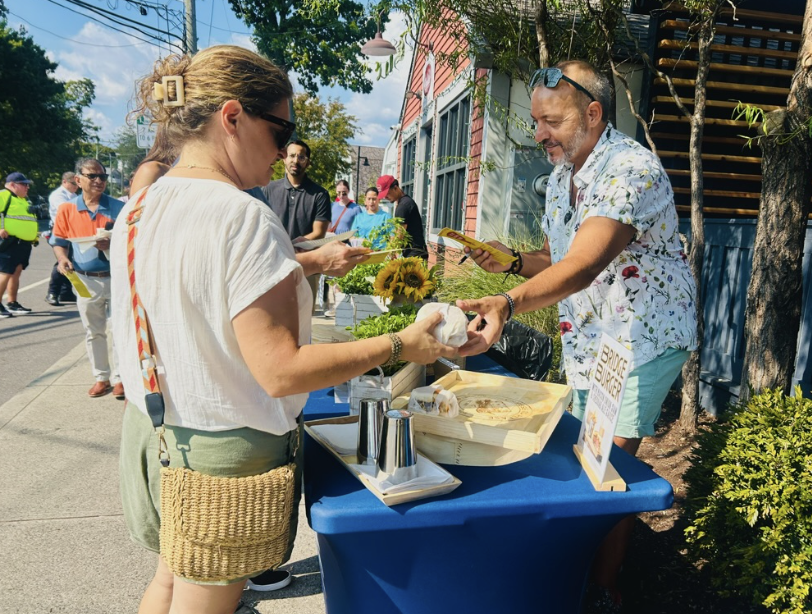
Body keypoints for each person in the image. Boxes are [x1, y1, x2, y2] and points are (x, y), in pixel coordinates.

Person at [112, 45, 455, 614]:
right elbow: (280, 371)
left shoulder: (142, 206)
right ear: (232, 117)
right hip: (224, 451)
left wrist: (311, 263)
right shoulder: (242, 215)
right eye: (281, 130)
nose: (284, 151)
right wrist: (403, 344)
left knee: (170, 582)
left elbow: (196, 292)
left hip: (154, 434)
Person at [457, 60, 698, 612]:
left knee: (606, 462)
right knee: (588, 456)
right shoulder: (563, 178)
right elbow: (563, 259)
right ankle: (583, 565)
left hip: (642, 336)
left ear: (593, 113)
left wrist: (508, 303)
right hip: (591, 338)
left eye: (553, 121)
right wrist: (515, 263)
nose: (539, 132)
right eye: (537, 120)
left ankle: (604, 589)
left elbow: (586, 264)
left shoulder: (631, 170)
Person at [50, 159, 125, 399]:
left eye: (102, 177)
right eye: (92, 176)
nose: (99, 181)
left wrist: (112, 242)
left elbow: (136, 239)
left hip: (117, 278)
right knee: (94, 331)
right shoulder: (67, 209)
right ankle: (101, 377)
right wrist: (62, 260)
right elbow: (59, 242)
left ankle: (121, 378)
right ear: (78, 179)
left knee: (120, 330)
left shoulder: (119, 207)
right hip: (84, 279)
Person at [262, 139, 331, 311]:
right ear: (284, 158)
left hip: (306, 265)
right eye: (292, 155)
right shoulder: (268, 189)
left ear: (307, 162)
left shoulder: (320, 194)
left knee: (304, 319)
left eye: (301, 157)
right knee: (274, 315)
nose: (295, 160)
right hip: (273, 262)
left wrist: (292, 244)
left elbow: (319, 233)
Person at [0, 172, 38, 318]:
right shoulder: (4, 195)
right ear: (11, 185)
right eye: (23, 184)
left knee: (16, 272)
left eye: (27, 184)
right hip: (9, 242)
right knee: (4, 273)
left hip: (23, 243)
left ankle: (12, 303)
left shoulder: (23, 200)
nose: (27, 187)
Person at [45, 171, 79, 306]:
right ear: (64, 181)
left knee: (71, 261)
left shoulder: (73, 195)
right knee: (62, 260)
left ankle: (66, 292)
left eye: (77, 184)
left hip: (72, 231)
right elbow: (68, 212)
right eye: (73, 183)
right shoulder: (58, 195)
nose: (76, 186)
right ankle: (52, 292)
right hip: (60, 230)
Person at [376, 175, 428, 258]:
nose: (386, 197)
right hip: (415, 252)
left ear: (395, 188)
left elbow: (399, 233)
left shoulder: (403, 206)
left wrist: (391, 253)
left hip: (414, 254)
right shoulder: (406, 202)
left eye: (387, 193)